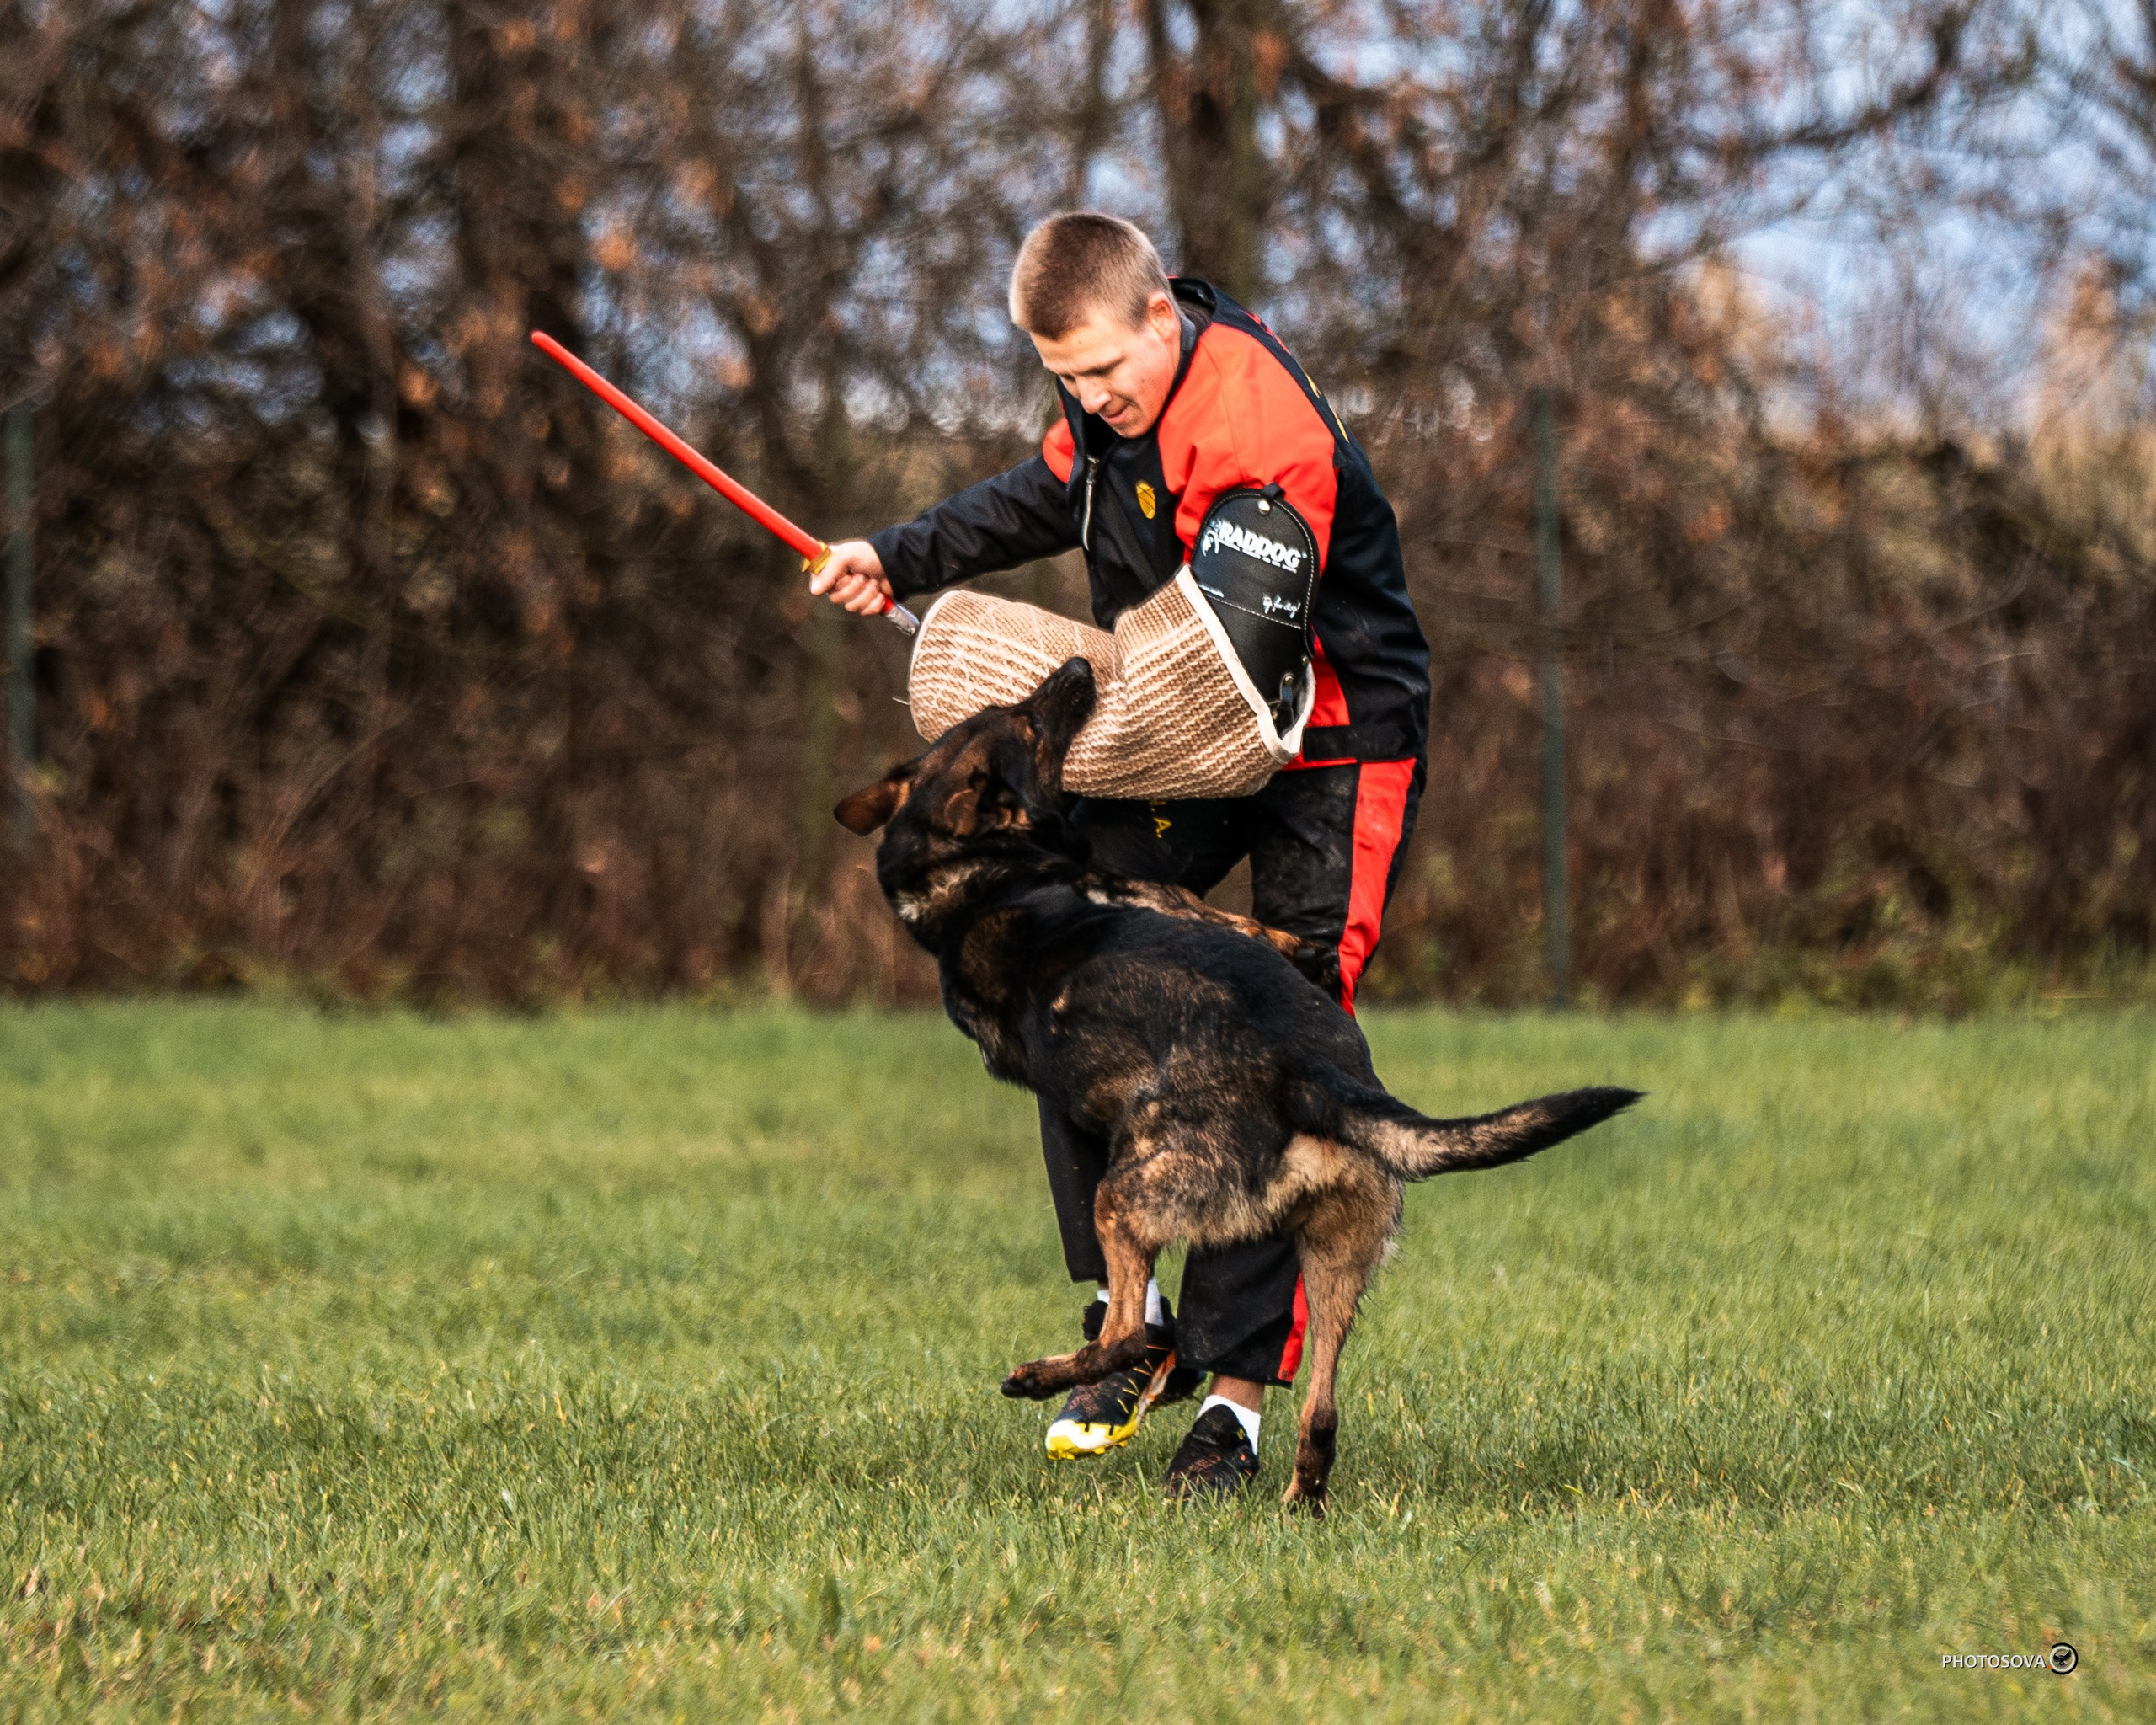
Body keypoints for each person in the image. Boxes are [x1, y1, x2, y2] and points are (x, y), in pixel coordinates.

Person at [814, 212, 1431, 1499]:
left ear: (1165, 319)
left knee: (1289, 1033)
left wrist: (1045, 704)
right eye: (1067, 380)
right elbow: (1041, 497)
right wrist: (898, 559)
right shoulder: (1103, 403)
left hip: (1326, 736)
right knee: (1056, 966)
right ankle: (1125, 1320)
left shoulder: (1264, 434)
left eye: (1106, 375)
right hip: (1181, 723)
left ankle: (1236, 1410)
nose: (1092, 401)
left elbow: (1216, 680)